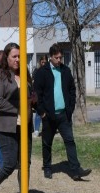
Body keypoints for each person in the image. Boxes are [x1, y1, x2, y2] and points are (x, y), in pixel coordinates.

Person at [0, 43, 37, 193]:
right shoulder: (0, 75)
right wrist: (20, 107)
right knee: (8, 164)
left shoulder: (25, 74)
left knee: (25, 165)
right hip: (5, 126)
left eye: (20, 56)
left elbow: (29, 96)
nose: (18, 59)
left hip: (25, 125)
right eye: (14, 56)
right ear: (6, 57)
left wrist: (33, 99)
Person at [33, 43, 91, 181]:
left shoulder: (65, 70)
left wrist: (69, 109)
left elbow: (72, 89)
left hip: (63, 115)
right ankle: (47, 167)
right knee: (47, 143)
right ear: (50, 57)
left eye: (61, 57)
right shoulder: (42, 72)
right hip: (48, 116)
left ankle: (75, 170)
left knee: (70, 141)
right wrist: (42, 113)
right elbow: (36, 95)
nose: (59, 60)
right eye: (56, 58)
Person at [33, 55, 48, 137]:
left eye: (45, 62)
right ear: (40, 62)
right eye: (42, 62)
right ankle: (36, 130)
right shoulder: (37, 71)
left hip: (46, 94)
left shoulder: (48, 70)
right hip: (38, 95)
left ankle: (46, 129)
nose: (44, 63)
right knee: (39, 112)